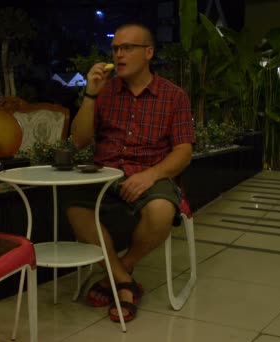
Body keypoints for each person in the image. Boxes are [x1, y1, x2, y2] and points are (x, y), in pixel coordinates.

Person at [66, 23, 195, 323]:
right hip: (104, 176)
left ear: (148, 53)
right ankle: (124, 281)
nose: (119, 55)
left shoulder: (174, 96)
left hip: (151, 175)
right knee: (74, 207)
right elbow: (79, 140)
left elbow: (183, 152)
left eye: (127, 48)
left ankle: (118, 270)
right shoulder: (105, 92)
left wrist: (150, 176)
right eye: (115, 49)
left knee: (162, 210)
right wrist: (90, 95)